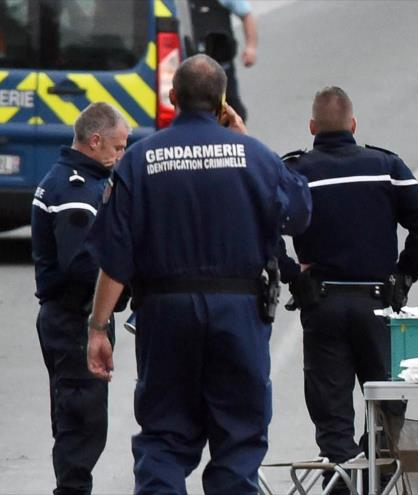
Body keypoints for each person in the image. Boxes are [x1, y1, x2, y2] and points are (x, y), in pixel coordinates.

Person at [84, 54, 311, 494]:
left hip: (166, 317)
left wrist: (98, 327)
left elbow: (115, 258)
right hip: (239, 317)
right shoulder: (254, 157)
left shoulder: (138, 161)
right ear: (223, 102)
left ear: (173, 98)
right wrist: (245, 141)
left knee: (164, 439)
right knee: (238, 440)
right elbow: (299, 214)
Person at [280, 86, 418, 494]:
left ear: (312, 127)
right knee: (388, 415)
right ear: (353, 125)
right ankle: (377, 481)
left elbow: (260, 227)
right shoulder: (385, 166)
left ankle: (343, 482)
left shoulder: (295, 172)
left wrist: (291, 274)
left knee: (333, 420)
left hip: (323, 305)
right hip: (378, 306)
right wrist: (403, 276)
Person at [31, 102, 130, 495]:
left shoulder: (77, 179)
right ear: (95, 141)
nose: (121, 155)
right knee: (81, 422)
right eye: (118, 147)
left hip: (67, 320)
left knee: (78, 420)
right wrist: (123, 283)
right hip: (74, 320)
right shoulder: (75, 190)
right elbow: (82, 267)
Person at [190, 0, 257, 121]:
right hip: (189, 70)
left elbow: (246, 15)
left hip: (221, 66)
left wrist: (250, 47)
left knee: (232, 111)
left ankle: (236, 138)